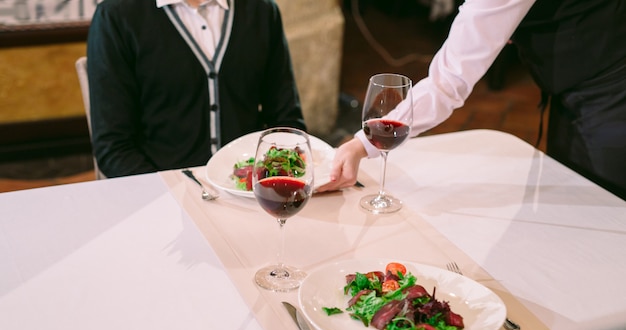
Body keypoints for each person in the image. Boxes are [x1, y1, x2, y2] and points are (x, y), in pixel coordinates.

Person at [317, 0, 626, 200]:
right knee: (570, 199)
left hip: (611, 89)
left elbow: (448, 83)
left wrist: (363, 144)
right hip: (579, 81)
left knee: (602, 212)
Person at [87, 0, 306, 177]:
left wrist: (269, 180)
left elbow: (286, 122)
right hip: (162, 199)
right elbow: (113, 148)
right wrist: (168, 196)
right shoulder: (116, 16)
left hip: (251, 196)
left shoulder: (263, 11)